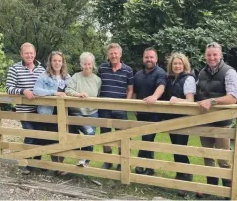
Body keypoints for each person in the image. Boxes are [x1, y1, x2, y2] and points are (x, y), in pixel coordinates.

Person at [195, 42, 237, 198]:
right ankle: (211, 188)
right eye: (209, 55)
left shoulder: (229, 72)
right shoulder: (201, 73)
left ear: (220, 55)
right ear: (205, 56)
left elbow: (233, 98)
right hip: (204, 120)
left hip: (223, 122)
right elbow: (197, 95)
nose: (212, 57)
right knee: (208, 156)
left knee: (223, 158)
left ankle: (229, 191)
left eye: (214, 54)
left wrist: (212, 101)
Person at [6, 42, 45, 175]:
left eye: (31, 53)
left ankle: (36, 162)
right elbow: (9, 88)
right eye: (26, 53)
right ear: (21, 54)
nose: (29, 55)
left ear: (35, 54)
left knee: (40, 136)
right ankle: (25, 163)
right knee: (30, 134)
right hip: (24, 110)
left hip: (40, 110)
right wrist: (23, 91)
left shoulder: (41, 69)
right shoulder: (14, 68)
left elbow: (47, 86)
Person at [33, 51, 71, 175]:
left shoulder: (67, 77)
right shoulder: (44, 76)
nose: (57, 63)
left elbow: (72, 89)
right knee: (46, 139)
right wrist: (53, 93)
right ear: (50, 62)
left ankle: (59, 166)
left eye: (59, 61)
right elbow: (36, 90)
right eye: (54, 60)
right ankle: (42, 165)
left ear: (62, 62)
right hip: (46, 112)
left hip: (61, 112)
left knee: (60, 139)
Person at [98, 43, 134, 171]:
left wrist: (126, 103)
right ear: (108, 55)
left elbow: (130, 89)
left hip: (120, 108)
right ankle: (108, 160)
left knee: (122, 135)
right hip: (104, 108)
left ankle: (122, 161)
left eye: (115, 53)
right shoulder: (102, 68)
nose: (113, 56)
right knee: (105, 135)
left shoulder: (128, 70)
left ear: (120, 54)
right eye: (111, 53)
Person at [165, 52, 196, 196]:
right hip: (173, 120)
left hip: (184, 119)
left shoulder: (188, 79)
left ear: (184, 65)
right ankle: (180, 175)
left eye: (179, 63)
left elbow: (190, 101)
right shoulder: (172, 79)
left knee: (181, 149)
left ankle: (187, 179)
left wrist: (177, 100)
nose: (177, 66)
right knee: (176, 149)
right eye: (174, 64)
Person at [133, 47, 167, 176]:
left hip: (154, 113)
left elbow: (162, 86)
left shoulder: (160, 72)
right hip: (140, 113)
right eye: (146, 57)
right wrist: (133, 105)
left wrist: (154, 97)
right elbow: (135, 91)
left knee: (148, 138)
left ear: (156, 59)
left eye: (151, 57)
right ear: (143, 58)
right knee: (145, 138)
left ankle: (148, 167)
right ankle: (143, 166)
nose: (149, 59)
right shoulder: (138, 74)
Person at [65, 52, 101, 167]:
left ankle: (85, 161)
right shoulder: (76, 76)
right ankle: (82, 157)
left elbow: (98, 95)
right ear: (81, 65)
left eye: (89, 64)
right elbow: (68, 90)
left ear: (93, 64)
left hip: (92, 112)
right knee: (89, 133)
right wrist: (78, 94)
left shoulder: (97, 80)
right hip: (77, 112)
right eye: (85, 64)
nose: (87, 66)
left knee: (90, 136)